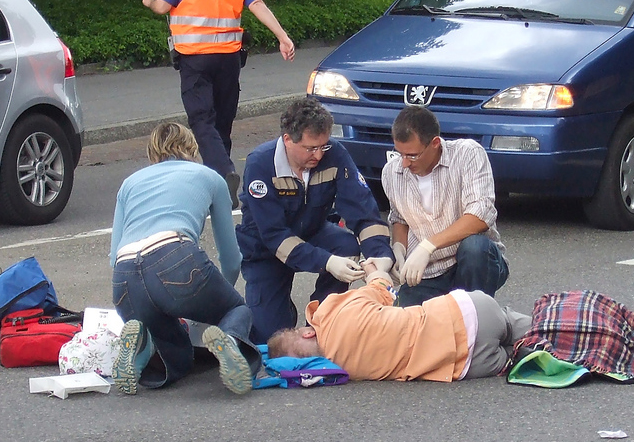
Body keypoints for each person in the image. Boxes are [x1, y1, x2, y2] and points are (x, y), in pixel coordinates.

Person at [109, 122, 260, 395]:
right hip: (174, 256)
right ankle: (228, 340)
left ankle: (143, 347)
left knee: (176, 348)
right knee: (237, 311)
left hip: (124, 278)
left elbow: (113, 256)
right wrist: (217, 299)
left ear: (151, 152)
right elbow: (231, 257)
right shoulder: (210, 176)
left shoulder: (128, 184)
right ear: (192, 147)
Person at [236, 97, 395, 345]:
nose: (319, 155)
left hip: (312, 232)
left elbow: (363, 210)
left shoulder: (335, 154)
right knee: (270, 340)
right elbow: (274, 236)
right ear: (288, 140)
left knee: (347, 246)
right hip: (266, 250)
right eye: (311, 148)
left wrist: (381, 255)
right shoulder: (260, 164)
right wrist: (327, 262)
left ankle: (322, 319)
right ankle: (273, 314)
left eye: (324, 146)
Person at [141, 0, 295, 209]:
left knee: (202, 120)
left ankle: (223, 174)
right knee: (222, 121)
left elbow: (160, 6)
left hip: (195, 58)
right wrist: (282, 37)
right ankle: (222, 185)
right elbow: (257, 4)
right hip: (228, 58)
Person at [267, 261, 531, 381]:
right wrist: (373, 272)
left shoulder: (344, 371)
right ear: (306, 333)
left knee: (528, 356)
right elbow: (383, 289)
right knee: (529, 326)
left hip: (468, 364)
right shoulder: (336, 313)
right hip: (469, 313)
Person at [381, 106, 509, 307]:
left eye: (412, 155)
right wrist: (399, 250)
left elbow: (481, 214)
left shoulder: (468, 154)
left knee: (475, 248)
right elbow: (399, 218)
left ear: (435, 143)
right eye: (400, 154)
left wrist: (428, 245)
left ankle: (478, 318)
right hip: (428, 271)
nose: (405, 163)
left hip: (472, 263)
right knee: (405, 323)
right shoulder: (391, 172)